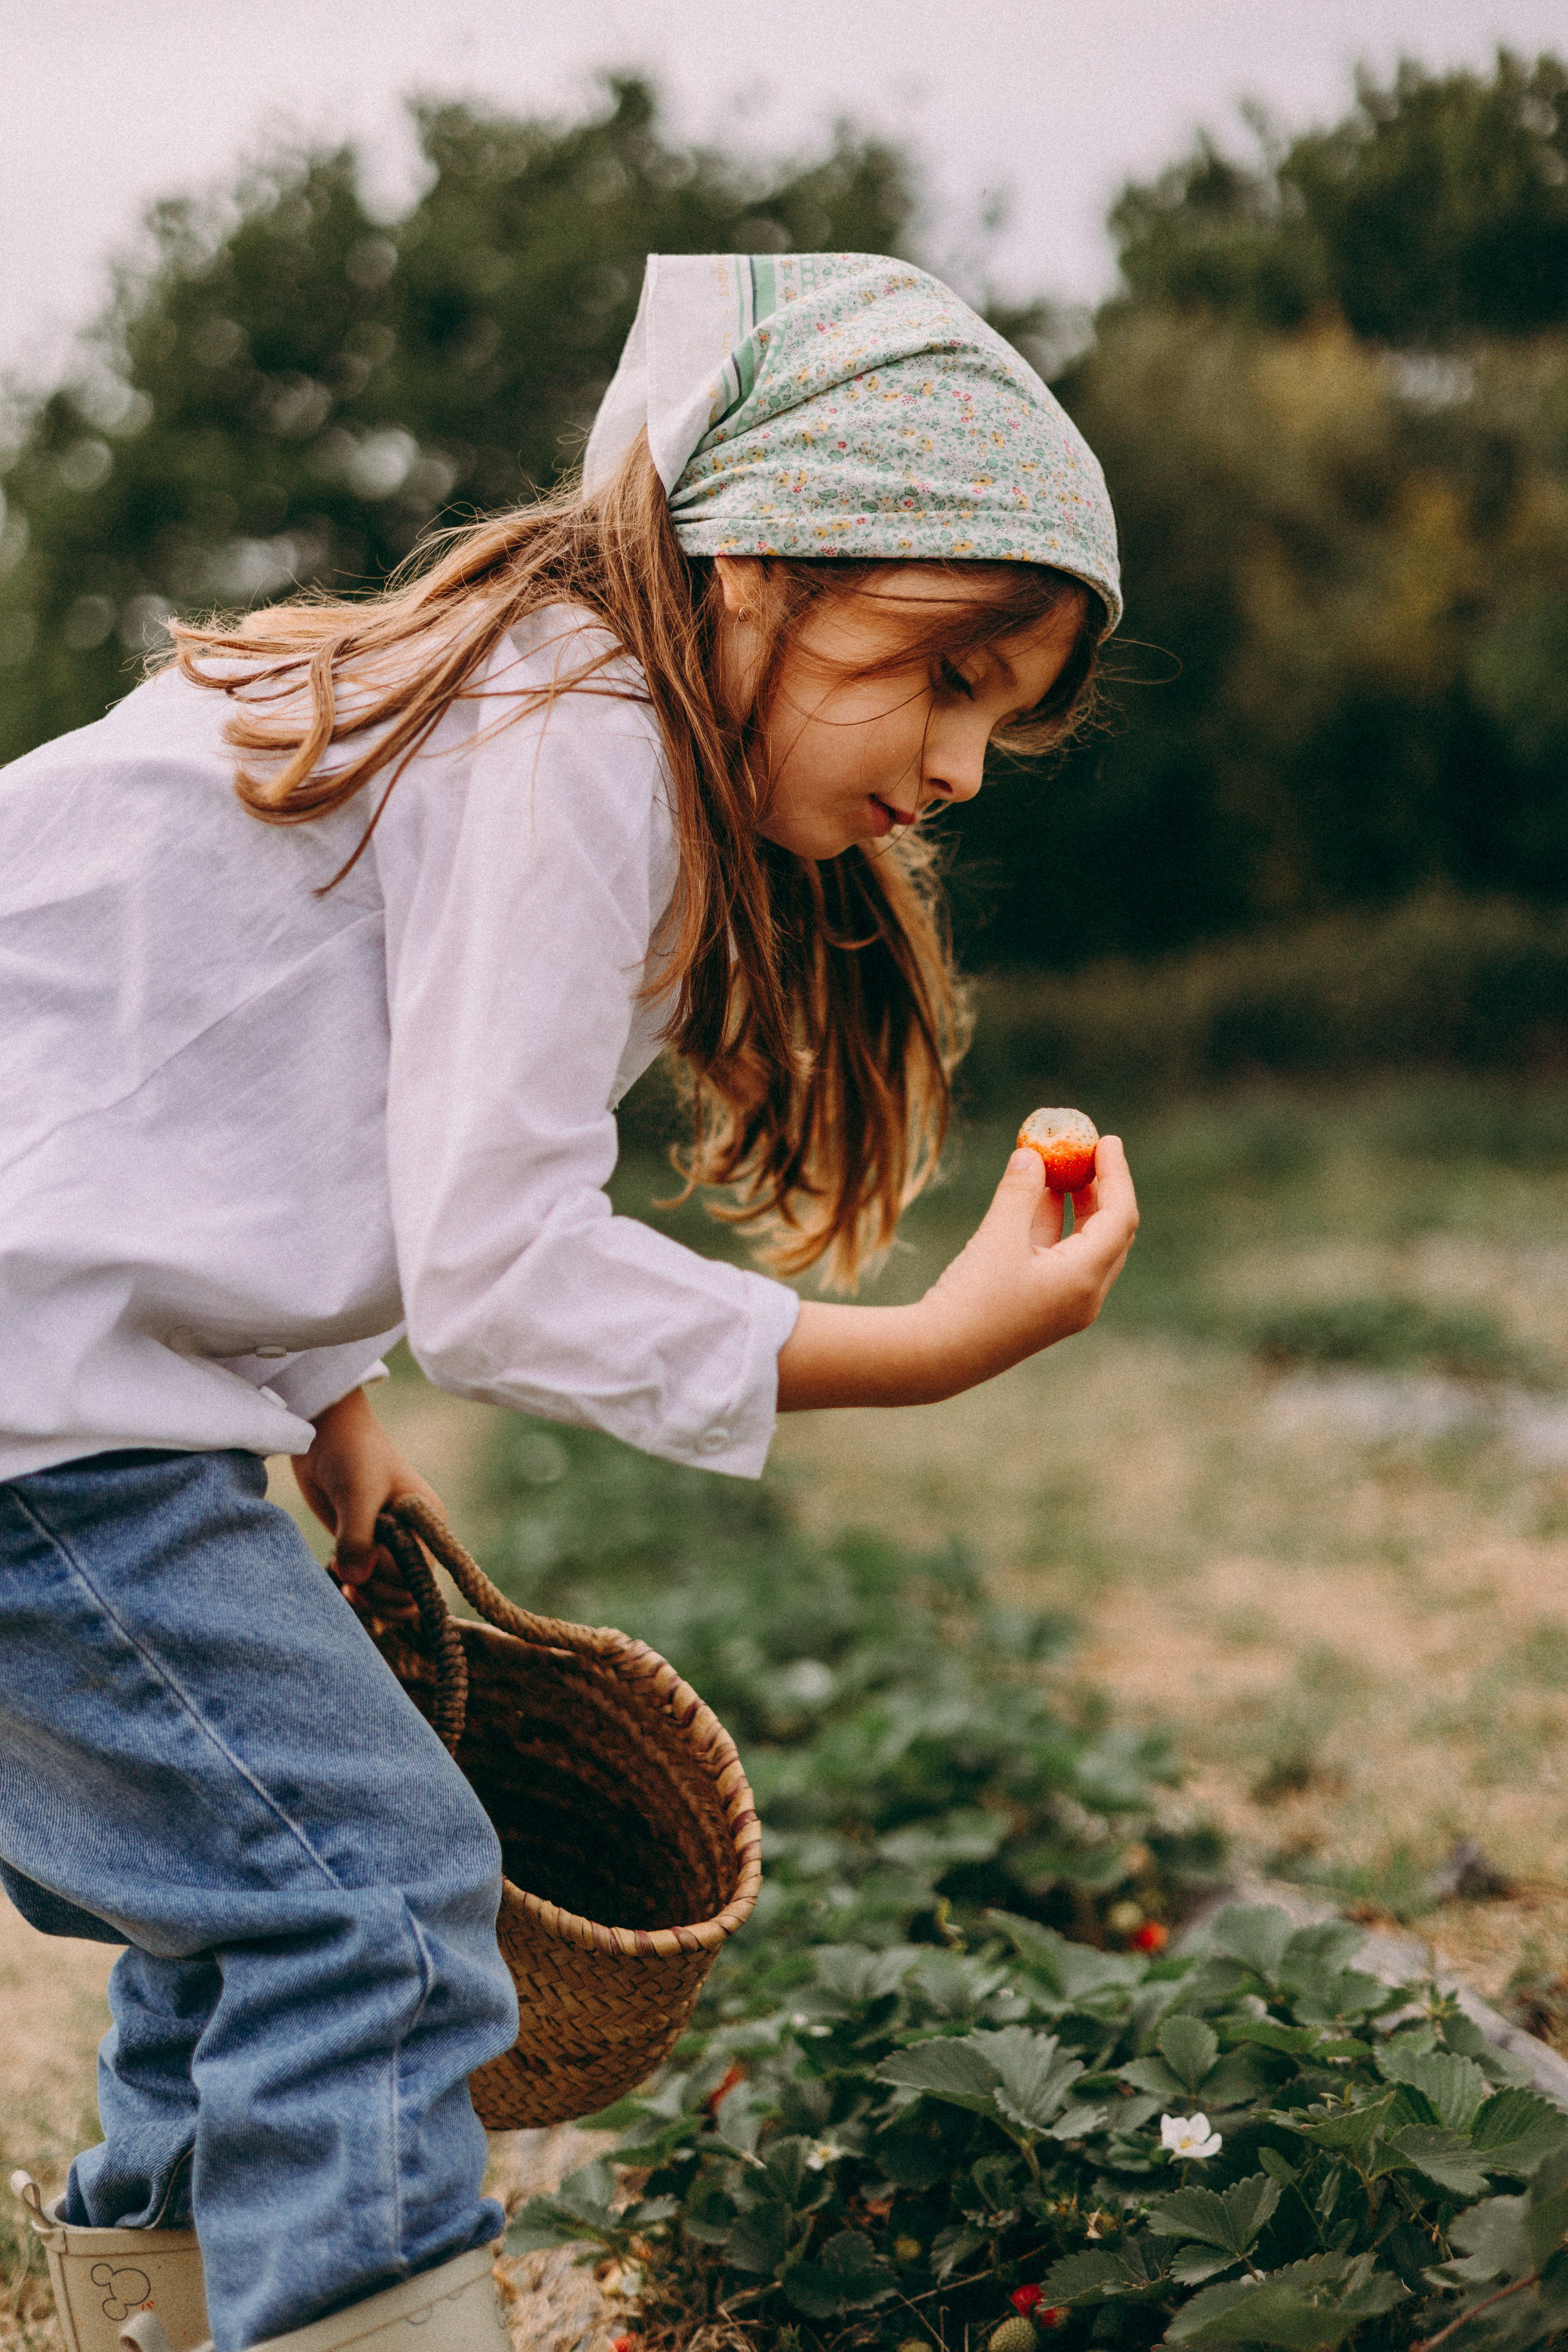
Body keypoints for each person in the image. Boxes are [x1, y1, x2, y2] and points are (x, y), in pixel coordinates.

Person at [0, 253, 1139, 2352]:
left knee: (261, 1888)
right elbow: (501, 1264)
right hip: (39, 1420)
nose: (966, 764)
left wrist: (334, 1428)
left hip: (66, 1394)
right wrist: (933, 1349)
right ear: (752, 570)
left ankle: (139, 2320)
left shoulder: (531, 701)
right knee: (373, 1903)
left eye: (1004, 711)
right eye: (943, 671)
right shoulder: (580, 727)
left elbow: (232, 1099)